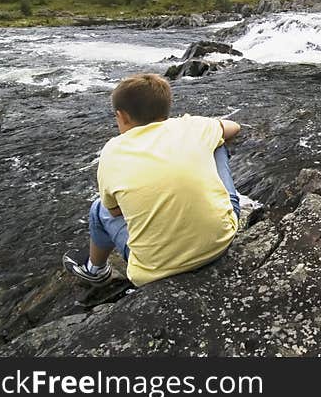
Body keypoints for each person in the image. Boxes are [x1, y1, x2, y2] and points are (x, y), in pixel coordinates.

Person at [62, 73, 242, 287]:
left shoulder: (112, 151)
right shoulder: (193, 126)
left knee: (98, 209)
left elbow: (115, 212)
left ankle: (95, 270)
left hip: (155, 269)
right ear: (166, 108)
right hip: (220, 242)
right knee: (217, 142)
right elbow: (234, 127)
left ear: (122, 116)